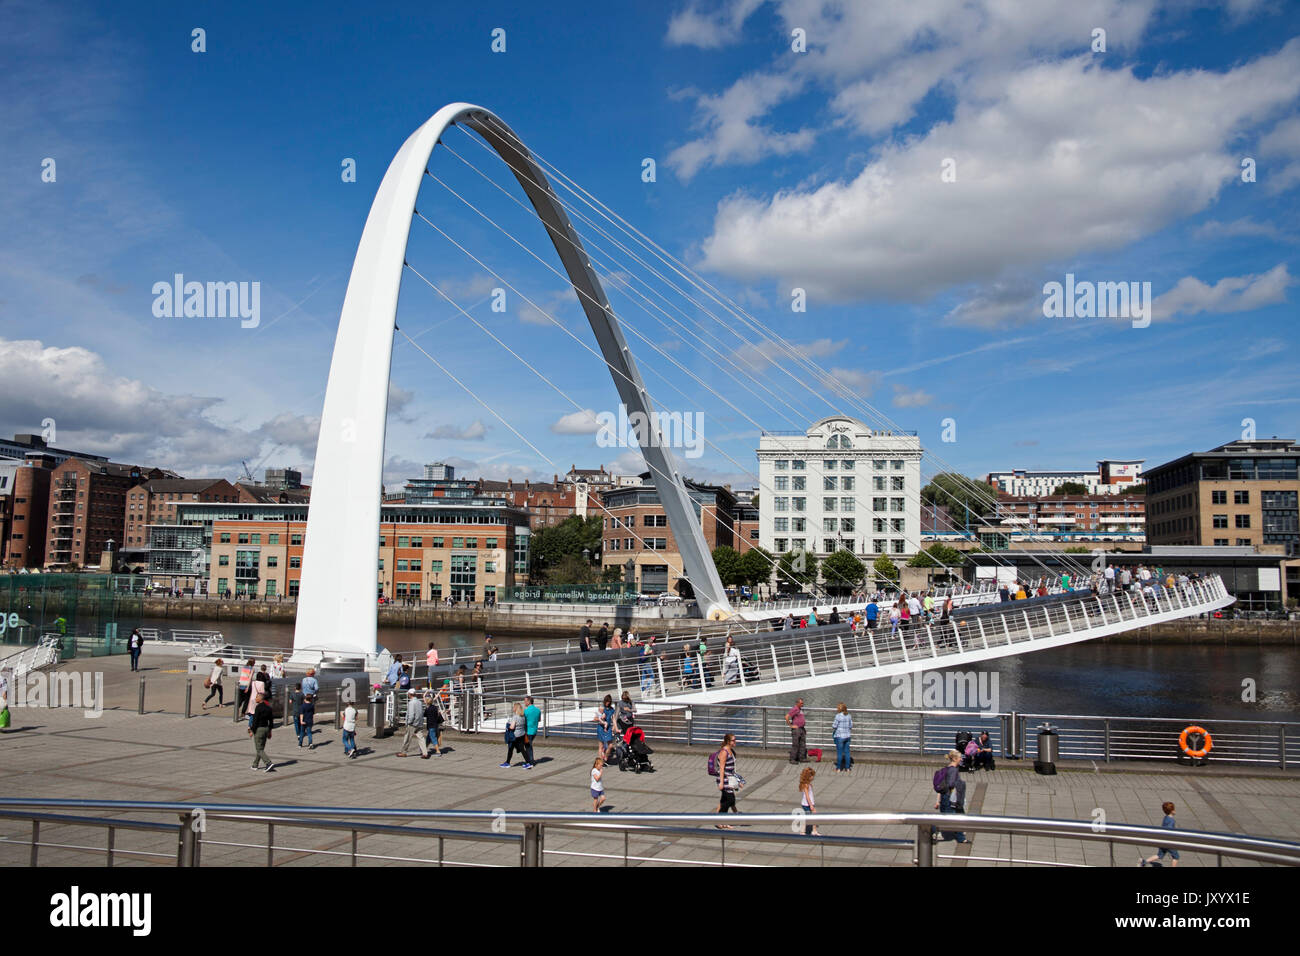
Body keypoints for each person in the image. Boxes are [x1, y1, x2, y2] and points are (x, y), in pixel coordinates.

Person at [932, 750, 970, 845]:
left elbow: (943, 787)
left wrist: (938, 801)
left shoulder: (946, 768)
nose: (961, 759)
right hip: (950, 799)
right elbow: (950, 784)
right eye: (960, 757)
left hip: (946, 798)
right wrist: (959, 784)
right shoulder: (953, 770)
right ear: (955, 759)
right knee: (951, 818)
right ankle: (931, 829)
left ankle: (961, 837)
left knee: (959, 815)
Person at [1141, 802, 1180, 867]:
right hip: (1169, 842)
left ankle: (1144, 862)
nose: (1175, 810)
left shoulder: (1166, 817)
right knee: (1176, 857)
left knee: (1159, 855)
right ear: (1172, 811)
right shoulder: (1171, 820)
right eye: (1174, 809)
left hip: (1162, 840)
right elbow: (1169, 831)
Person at [714, 734, 741, 827]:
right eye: (733, 740)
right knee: (729, 800)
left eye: (735, 740)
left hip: (730, 778)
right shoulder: (724, 752)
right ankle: (721, 821)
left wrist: (738, 780)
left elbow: (732, 769)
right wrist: (721, 783)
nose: (735, 742)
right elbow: (721, 768)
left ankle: (717, 820)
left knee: (725, 800)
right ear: (728, 741)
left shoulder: (731, 751)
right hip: (724, 779)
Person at [397, 692, 430, 758]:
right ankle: (425, 753)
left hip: (412, 723)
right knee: (421, 738)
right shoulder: (419, 702)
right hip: (419, 722)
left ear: (410, 694)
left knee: (407, 738)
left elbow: (411, 714)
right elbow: (421, 712)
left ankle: (403, 752)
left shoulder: (411, 703)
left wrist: (409, 722)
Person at [249, 694, 275, 772]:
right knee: (261, 748)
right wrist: (270, 731)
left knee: (259, 749)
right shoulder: (268, 708)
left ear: (260, 699)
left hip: (259, 729)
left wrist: (252, 731)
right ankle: (255, 765)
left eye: (256, 697)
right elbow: (271, 720)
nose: (255, 698)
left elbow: (255, 720)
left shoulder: (258, 708)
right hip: (266, 728)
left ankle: (268, 763)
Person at [501, 702, 527, 767]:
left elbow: (512, 727)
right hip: (522, 734)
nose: (513, 708)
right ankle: (528, 762)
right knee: (522, 749)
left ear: (516, 708)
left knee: (510, 749)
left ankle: (507, 763)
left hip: (515, 736)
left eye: (513, 707)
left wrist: (508, 728)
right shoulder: (523, 716)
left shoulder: (515, 717)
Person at [831, 702, 853, 773]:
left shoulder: (838, 716)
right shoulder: (849, 716)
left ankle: (838, 768)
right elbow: (851, 726)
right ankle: (848, 768)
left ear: (839, 709)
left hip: (840, 736)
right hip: (847, 736)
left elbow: (834, 726)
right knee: (847, 753)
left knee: (839, 753)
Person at [799, 767, 820, 836]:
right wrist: (811, 805)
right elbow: (807, 796)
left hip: (807, 804)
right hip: (807, 804)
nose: (813, 777)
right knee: (811, 816)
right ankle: (811, 830)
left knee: (809, 817)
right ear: (809, 777)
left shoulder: (807, 784)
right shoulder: (806, 785)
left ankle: (806, 831)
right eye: (812, 776)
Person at [594, 694, 616, 760]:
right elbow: (595, 718)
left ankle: (606, 757)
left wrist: (615, 727)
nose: (607, 703)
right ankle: (601, 761)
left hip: (608, 728)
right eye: (606, 701)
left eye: (609, 702)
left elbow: (613, 719)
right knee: (601, 746)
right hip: (601, 728)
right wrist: (600, 718)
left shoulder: (612, 709)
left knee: (610, 745)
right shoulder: (601, 708)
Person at [521, 696, 541, 769]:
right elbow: (539, 720)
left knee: (528, 747)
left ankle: (530, 762)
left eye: (525, 701)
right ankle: (529, 761)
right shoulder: (538, 710)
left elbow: (523, 721)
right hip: (534, 730)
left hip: (527, 731)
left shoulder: (526, 711)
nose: (524, 702)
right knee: (528, 745)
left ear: (529, 701)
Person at [786, 697, 807, 763]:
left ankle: (801, 758)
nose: (802, 704)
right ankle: (792, 759)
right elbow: (787, 717)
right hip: (797, 729)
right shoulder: (795, 709)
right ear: (797, 703)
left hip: (802, 728)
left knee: (802, 744)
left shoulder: (800, 709)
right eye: (801, 703)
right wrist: (791, 725)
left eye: (802, 703)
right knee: (795, 744)